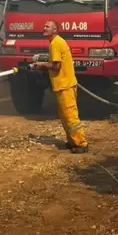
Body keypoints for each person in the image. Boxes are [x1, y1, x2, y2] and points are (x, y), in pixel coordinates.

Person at [31, 20, 89, 153]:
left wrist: (41, 65)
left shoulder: (56, 43)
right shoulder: (55, 43)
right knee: (64, 116)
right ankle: (72, 141)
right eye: (44, 26)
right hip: (62, 85)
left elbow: (56, 66)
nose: (44, 28)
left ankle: (81, 144)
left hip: (65, 85)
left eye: (47, 26)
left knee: (70, 116)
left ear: (55, 30)